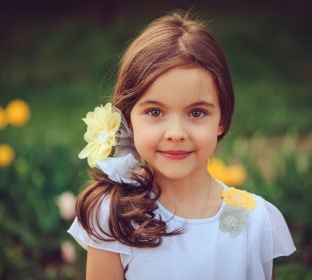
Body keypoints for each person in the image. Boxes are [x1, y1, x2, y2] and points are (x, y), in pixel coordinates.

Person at [68, 11, 295, 280]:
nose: (176, 133)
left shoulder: (253, 221)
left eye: (196, 112)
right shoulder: (115, 216)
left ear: (222, 120)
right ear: (128, 118)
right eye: (155, 112)